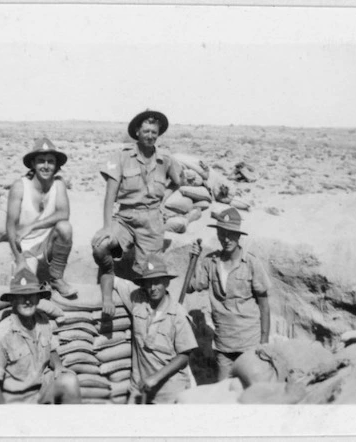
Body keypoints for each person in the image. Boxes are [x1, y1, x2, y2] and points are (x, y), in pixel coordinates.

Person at [91, 110, 182, 317]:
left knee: (149, 274)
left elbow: (177, 182)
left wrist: (162, 200)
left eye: (154, 132)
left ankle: (148, 316)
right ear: (137, 133)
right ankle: (108, 277)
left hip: (152, 222)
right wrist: (107, 227)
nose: (150, 136)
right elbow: (110, 195)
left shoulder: (165, 160)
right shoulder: (121, 157)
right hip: (125, 218)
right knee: (100, 246)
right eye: (146, 131)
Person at [187, 207, 271, 381]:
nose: (226, 239)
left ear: (239, 235)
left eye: (231, 233)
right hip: (223, 345)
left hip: (250, 343)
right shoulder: (210, 262)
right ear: (217, 234)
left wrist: (264, 341)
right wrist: (193, 259)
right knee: (223, 396)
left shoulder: (251, 263)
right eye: (222, 233)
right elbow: (189, 287)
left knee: (252, 394)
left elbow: (264, 305)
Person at [0, 267, 81, 404]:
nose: (27, 301)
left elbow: (51, 348)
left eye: (32, 295)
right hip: (16, 400)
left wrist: (58, 366)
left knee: (69, 380)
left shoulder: (43, 321)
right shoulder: (1, 335)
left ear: (38, 299)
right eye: (21, 296)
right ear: (13, 300)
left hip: (42, 391)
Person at [112, 254, 198, 404]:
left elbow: (184, 355)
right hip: (141, 389)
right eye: (148, 283)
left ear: (166, 283)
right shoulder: (137, 301)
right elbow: (109, 277)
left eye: (157, 282)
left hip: (170, 391)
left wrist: (155, 377)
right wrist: (107, 298)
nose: (153, 288)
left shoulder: (178, 313)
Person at [6, 137, 76, 297]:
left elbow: (63, 213)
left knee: (65, 227)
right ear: (33, 164)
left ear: (56, 166)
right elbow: (10, 226)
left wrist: (32, 226)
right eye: (41, 161)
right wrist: (20, 259)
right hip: (25, 248)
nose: (46, 166)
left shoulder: (58, 184)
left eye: (50, 162)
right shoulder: (20, 186)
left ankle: (56, 278)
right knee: (25, 294)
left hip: (47, 246)